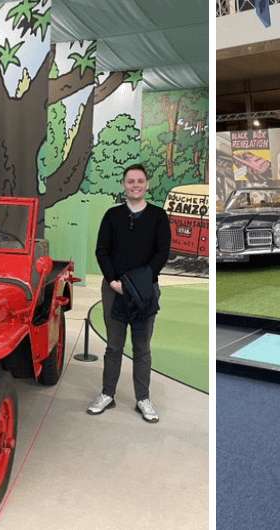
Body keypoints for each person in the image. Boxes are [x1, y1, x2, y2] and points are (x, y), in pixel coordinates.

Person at [88, 163, 171, 423]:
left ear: (147, 184)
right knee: (113, 346)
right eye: (130, 181)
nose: (135, 185)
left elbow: (162, 253)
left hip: (145, 292)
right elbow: (102, 250)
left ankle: (143, 399)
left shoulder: (158, 216)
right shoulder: (112, 216)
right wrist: (113, 281)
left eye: (139, 181)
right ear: (124, 185)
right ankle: (107, 394)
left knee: (142, 347)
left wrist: (140, 282)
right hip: (114, 290)